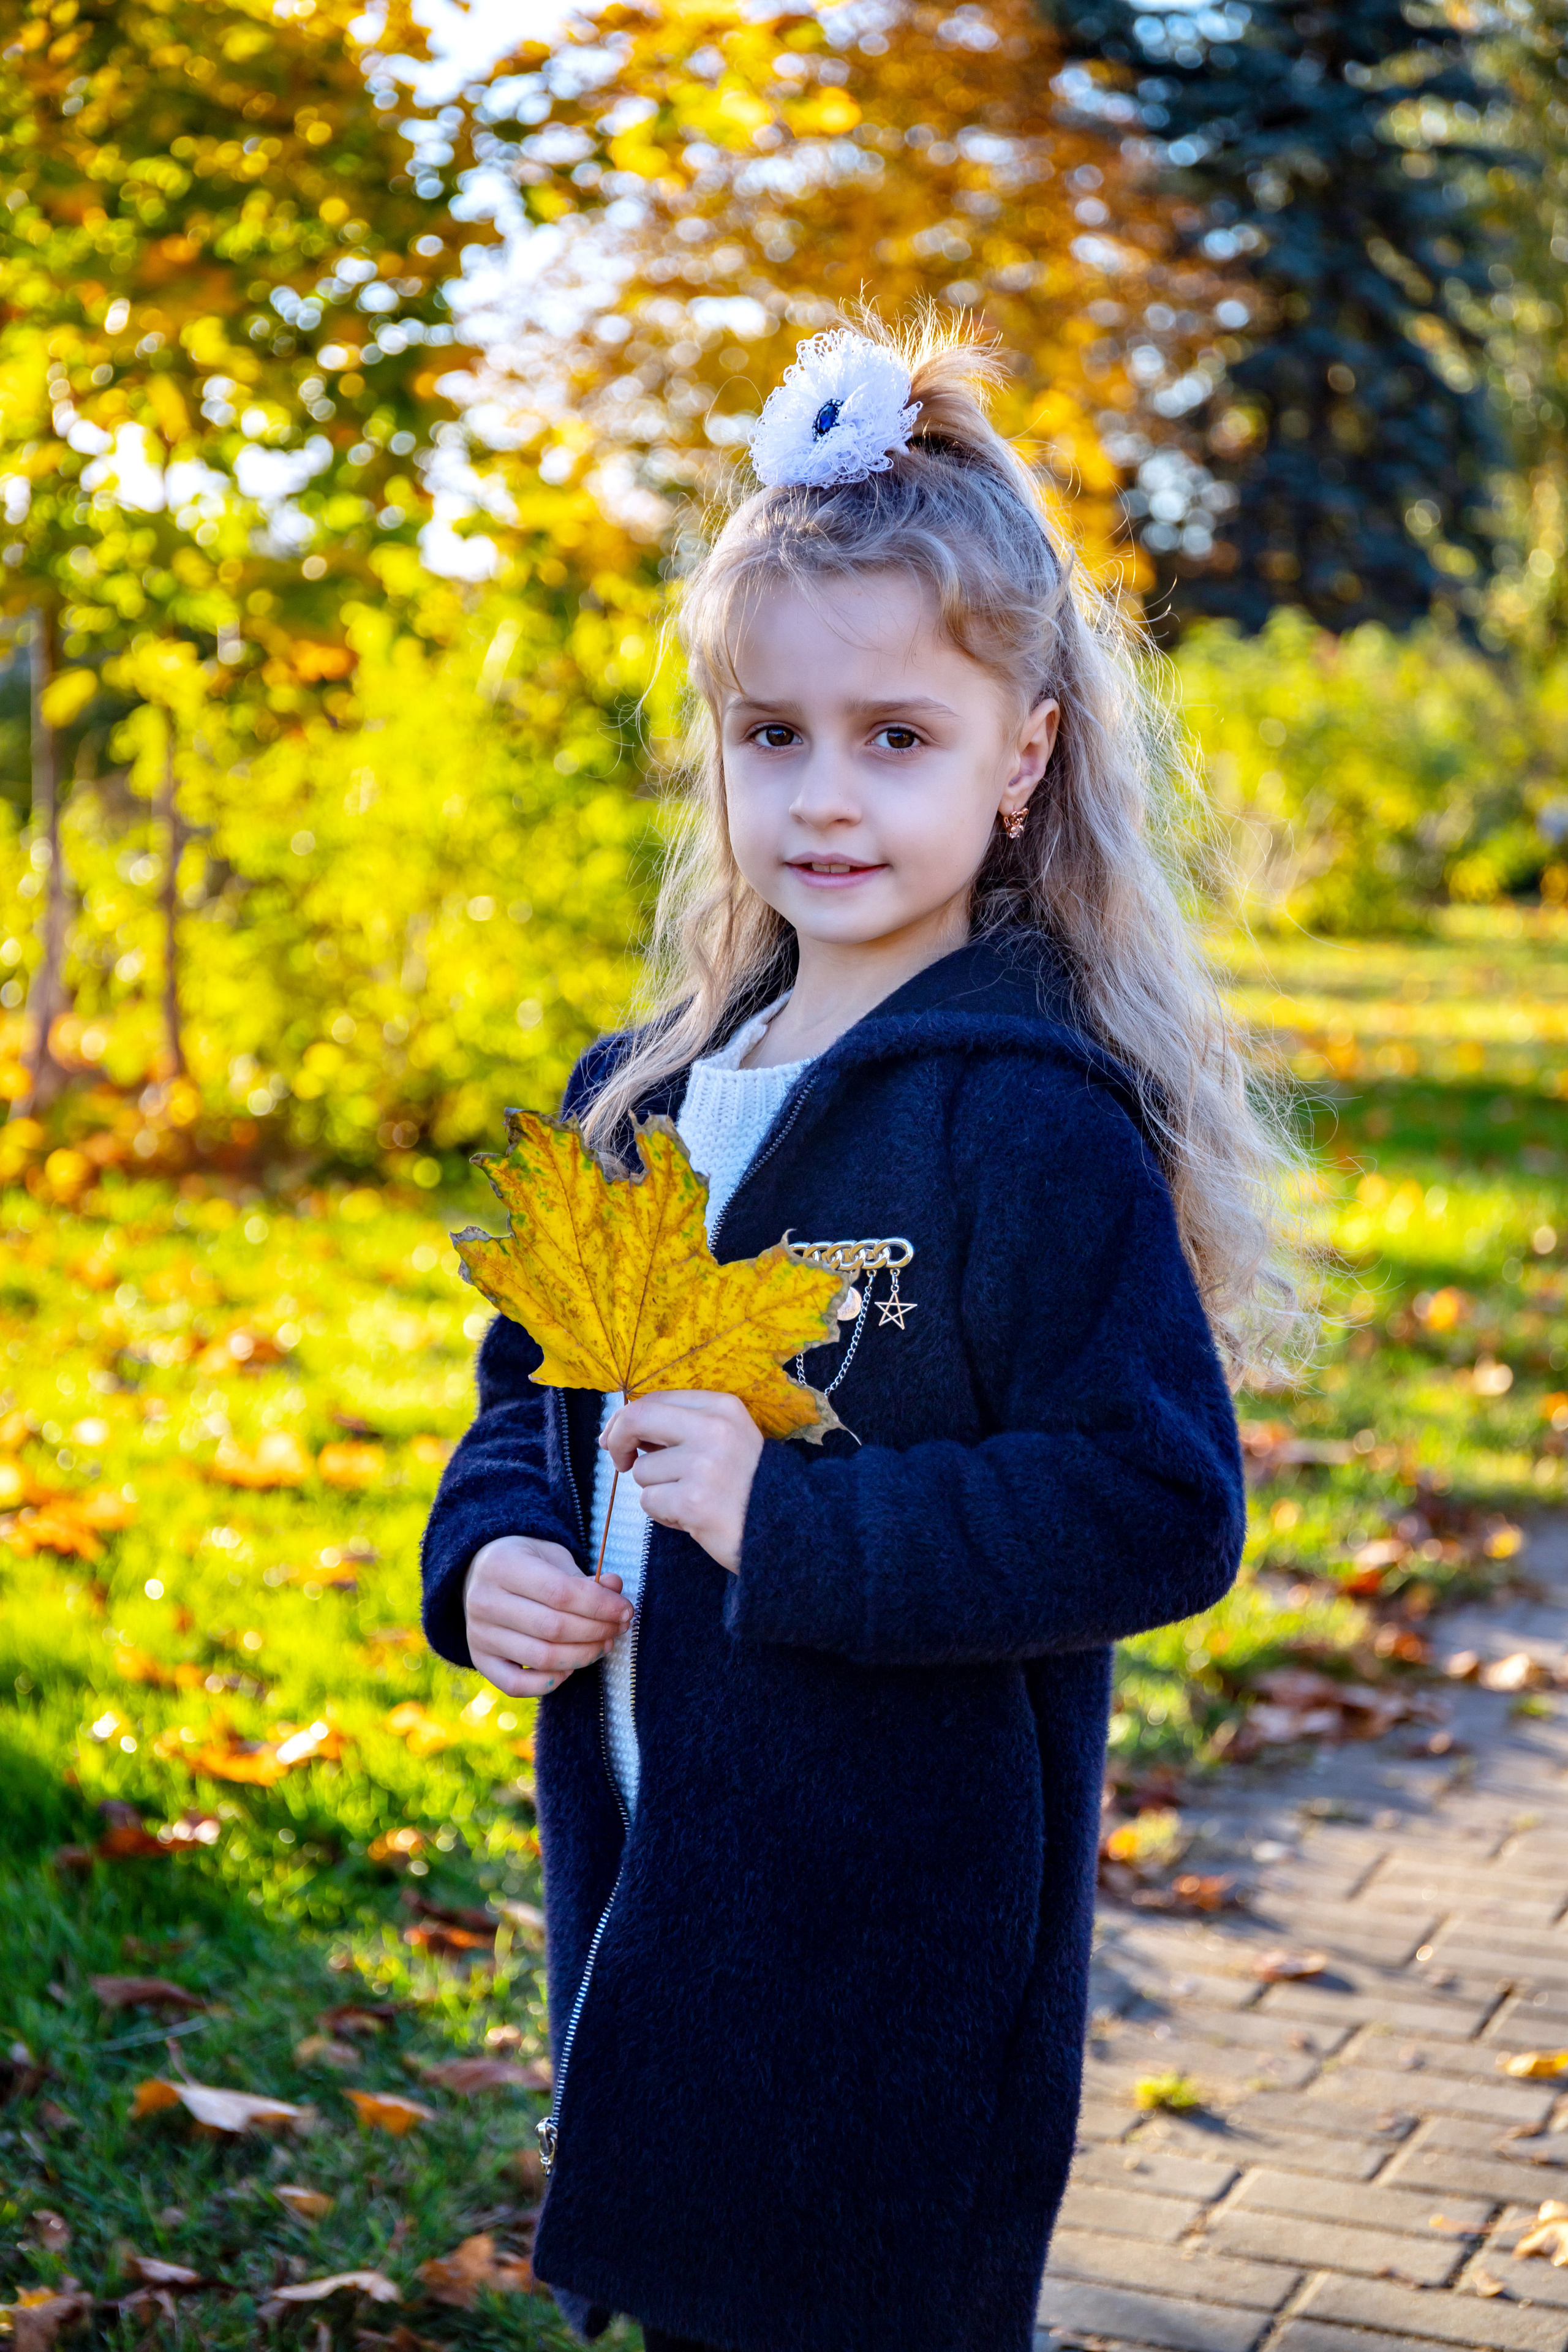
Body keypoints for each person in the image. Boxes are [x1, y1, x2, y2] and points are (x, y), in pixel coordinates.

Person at [420, 311, 1304, 2352]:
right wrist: (495, 1559)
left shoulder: (1021, 1117)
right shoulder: (641, 1094)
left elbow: (1155, 1504)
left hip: (891, 1937)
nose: (826, 795)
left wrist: (794, 1520)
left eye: (896, 737)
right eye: (772, 735)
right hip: (653, 1878)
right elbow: (523, 1407)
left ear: (1023, 757)